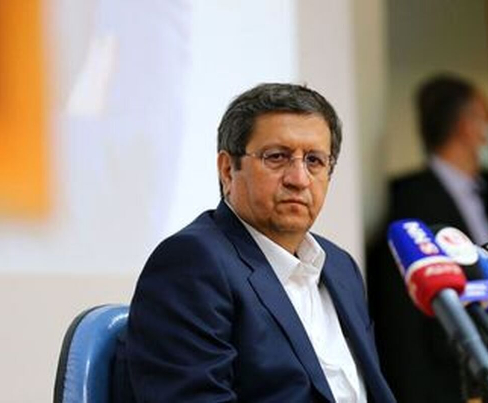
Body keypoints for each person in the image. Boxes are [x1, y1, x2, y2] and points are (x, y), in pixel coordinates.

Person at [122, 83, 396, 403]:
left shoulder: (340, 266)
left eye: (314, 161)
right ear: (228, 169)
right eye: (277, 157)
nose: (299, 179)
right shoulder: (192, 262)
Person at [367, 74, 488, 402]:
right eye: (486, 117)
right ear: (467, 126)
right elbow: (401, 321)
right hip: (448, 380)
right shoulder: (409, 200)